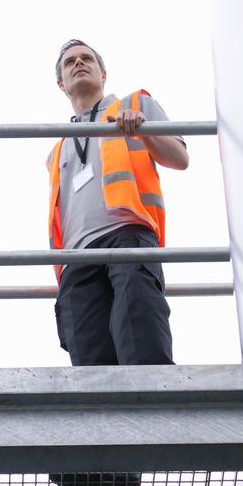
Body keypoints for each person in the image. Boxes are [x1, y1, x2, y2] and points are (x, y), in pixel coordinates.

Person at [47, 39, 189, 368]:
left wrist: (141, 130)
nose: (78, 63)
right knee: (89, 363)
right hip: (75, 257)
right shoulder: (58, 148)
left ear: (103, 73)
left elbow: (180, 158)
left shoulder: (134, 105)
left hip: (127, 233)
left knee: (140, 333)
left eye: (86, 59)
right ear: (61, 83)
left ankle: (154, 411)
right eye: (70, 62)